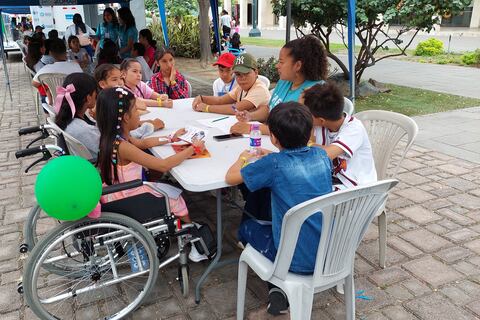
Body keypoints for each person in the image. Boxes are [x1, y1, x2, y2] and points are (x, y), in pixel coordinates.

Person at [225, 102, 332, 315]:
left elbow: (230, 178)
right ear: (310, 131)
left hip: (295, 260)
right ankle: (279, 291)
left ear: (273, 137)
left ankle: (278, 285)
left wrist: (242, 158)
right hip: (329, 253)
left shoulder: (274, 163)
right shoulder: (322, 155)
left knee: (245, 228)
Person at [231, 35, 328, 135]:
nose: (277, 66)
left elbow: (293, 129)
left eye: (281, 62)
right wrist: (250, 116)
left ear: (297, 65)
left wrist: (252, 128)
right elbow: (269, 109)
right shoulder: (285, 81)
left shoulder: (313, 92)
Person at [302, 82, 377, 189]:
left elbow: (325, 155)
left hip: (356, 188)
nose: (303, 116)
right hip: (331, 178)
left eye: (306, 113)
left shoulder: (354, 129)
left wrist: (309, 144)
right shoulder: (320, 124)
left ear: (321, 120)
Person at [192, 53, 270, 115]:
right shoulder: (240, 87)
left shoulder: (260, 89)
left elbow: (236, 108)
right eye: (238, 74)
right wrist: (202, 98)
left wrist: (207, 108)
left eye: (246, 73)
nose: (242, 78)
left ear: (256, 72)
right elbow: (220, 100)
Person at [54, 73, 99, 158]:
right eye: (95, 92)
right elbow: (111, 150)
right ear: (88, 98)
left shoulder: (65, 117)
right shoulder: (84, 130)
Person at [32, 39, 83, 103]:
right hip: (75, 102)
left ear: (50, 53)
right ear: (66, 52)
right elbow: (82, 83)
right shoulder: (75, 66)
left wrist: (50, 88)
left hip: (55, 103)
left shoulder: (45, 69)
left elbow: (34, 83)